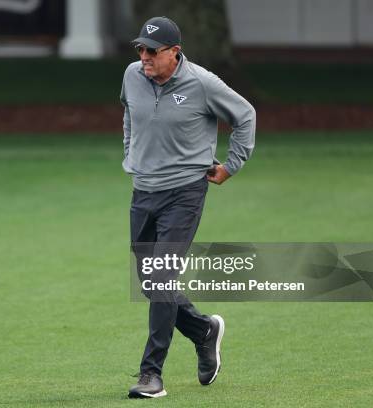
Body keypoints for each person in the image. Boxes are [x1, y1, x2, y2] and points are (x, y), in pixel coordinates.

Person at [121, 16, 256, 398]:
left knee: (161, 278)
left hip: (184, 192)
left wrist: (231, 165)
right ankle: (204, 330)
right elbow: (129, 113)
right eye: (140, 49)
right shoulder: (132, 75)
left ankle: (151, 375)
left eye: (152, 50)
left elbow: (245, 115)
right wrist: (131, 154)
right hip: (143, 192)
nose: (144, 56)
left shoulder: (202, 83)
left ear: (174, 53)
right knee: (150, 282)